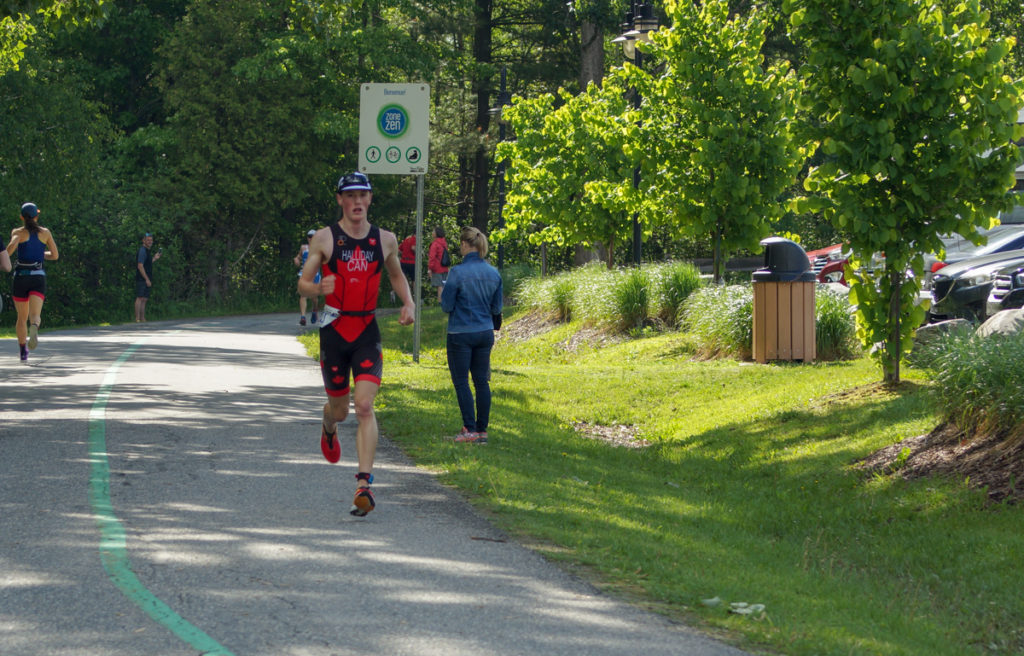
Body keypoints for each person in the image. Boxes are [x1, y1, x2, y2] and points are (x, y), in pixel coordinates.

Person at [298, 171, 415, 517]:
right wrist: (320, 288)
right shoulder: (324, 239)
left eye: (362, 195)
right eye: (350, 196)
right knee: (341, 411)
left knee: (364, 406)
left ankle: (364, 485)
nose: (357, 202)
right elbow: (303, 285)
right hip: (334, 330)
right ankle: (328, 424)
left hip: (365, 329)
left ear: (370, 199)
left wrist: (408, 302)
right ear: (340, 200)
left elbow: (395, 274)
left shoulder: (386, 240)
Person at [440, 226, 503, 444]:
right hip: (484, 332)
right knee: (481, 382)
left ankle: (469, 428)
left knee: (461, 381)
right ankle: (482, 430)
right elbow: (497, 308)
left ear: (466, 245)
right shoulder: (493, 273)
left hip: (461, 332)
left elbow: (446, 305)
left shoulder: (457, 273)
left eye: (461, 244)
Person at [7, 203, 58, 361]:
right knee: (35, 315)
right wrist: (42, 255)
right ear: (37, 215)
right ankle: (34, 327)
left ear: (22, 217)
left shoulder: (17, 232)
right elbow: (55, 255)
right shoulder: (45, 232)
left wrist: (13, 244)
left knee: (21, 318)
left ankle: (23, 351)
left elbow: (9, 250)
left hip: (21, 277)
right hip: (38, 276)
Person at [294, 229, 321, 326]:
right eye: (309, 236)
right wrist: (296, 259)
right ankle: (303, 317)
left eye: (313, 236)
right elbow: (298, 256)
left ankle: (314, 310)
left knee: (314, 297)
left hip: (315, 274)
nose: (311, 238)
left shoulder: (320, 248)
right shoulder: (303, 247)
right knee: (303, 294)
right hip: (304, 273)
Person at [134, 233, 161, 322]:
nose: (150, 242)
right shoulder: (142, 251)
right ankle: (137, 318)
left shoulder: (147, 251)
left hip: (147, 277)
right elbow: (140, 266)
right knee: (140, 297)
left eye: (151, 240)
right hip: (142, 278)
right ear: (144, 240)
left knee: (145, 299)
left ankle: (142, 318)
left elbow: (147, 264)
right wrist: (146, 279)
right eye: (148, 240)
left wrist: (154, 258)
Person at [428, 226, 449, 302]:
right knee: (443, 285)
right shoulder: (444, 243)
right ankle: (445, 301)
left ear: (437, 233)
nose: (432, 233)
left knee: (439, 286)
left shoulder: (435, 244)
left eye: (433, 231)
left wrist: (430, 268)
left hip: (437, 268)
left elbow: (432, 257)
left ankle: (440, 302)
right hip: (445, 268)